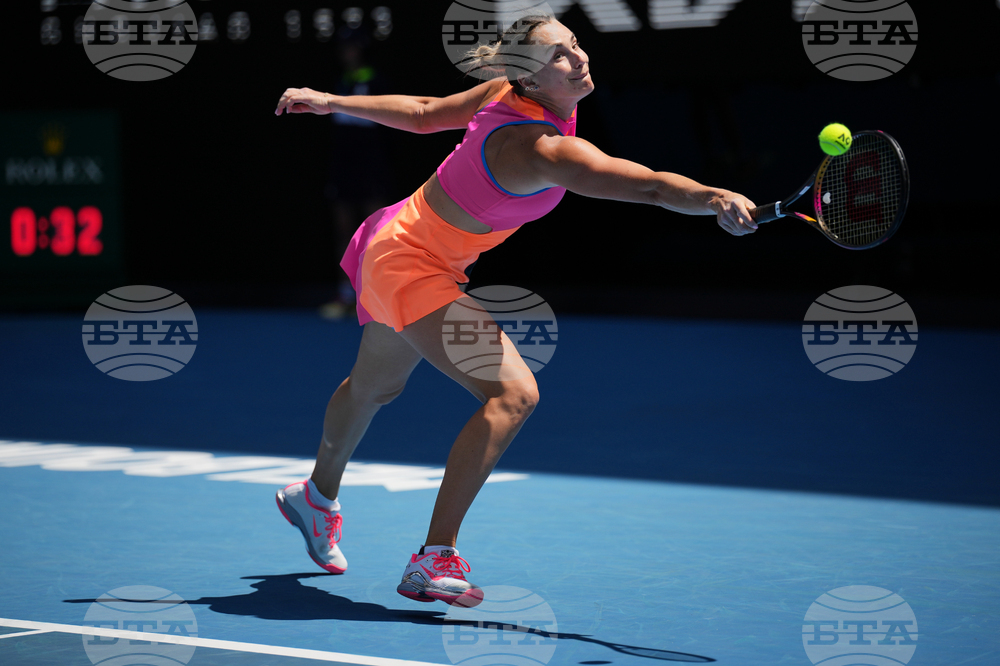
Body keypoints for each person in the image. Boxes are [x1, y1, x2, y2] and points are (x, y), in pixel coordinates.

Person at [273, 16, 757, 608]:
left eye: (575, 44)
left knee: (376, 386)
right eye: (558, 55)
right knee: (513, 394)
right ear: (529, 76)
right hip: (410, 261)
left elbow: (426, 112)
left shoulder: (509, 92)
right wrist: (712, 197)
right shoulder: (542, 148)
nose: (578, 58)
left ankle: (315, 498)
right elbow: (652, 186)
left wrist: (329, 101)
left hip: (397, 237)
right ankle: (435, 557)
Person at [319, 27, 393, 320]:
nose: (347, 53)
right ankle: (346, 296)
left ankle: (376, 299)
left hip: (371, 168)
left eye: (352, 48)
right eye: (343, 48)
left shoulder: (376, 82)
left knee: (376, 235)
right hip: (342, 168)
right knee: (344, 232)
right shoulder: (338, 83)